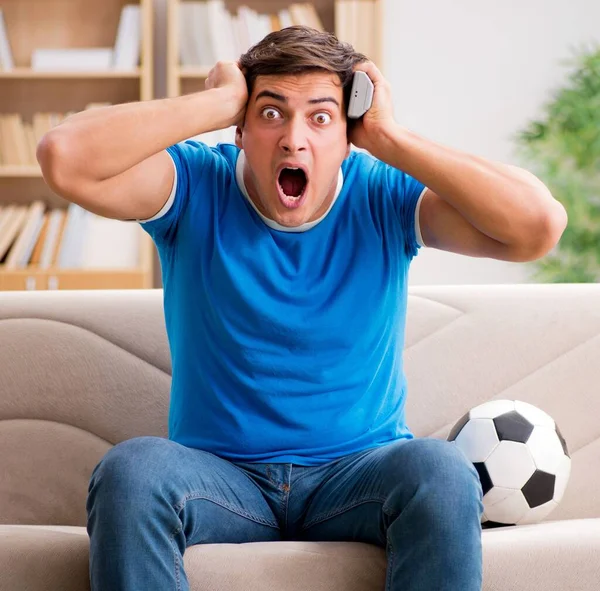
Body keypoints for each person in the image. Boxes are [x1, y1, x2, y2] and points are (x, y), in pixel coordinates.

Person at [37, 25, 567, 591]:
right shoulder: (196, 185)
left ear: (347, 135)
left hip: (356, 475)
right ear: (240, 129)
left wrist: (389, 138)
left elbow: (537, 227)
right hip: (221, 479)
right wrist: (216, 101)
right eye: (270, 114)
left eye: (319, 117)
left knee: (440, 470)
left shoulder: (381, 192)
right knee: (132, 472)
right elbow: (64, 157)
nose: (293, 140)